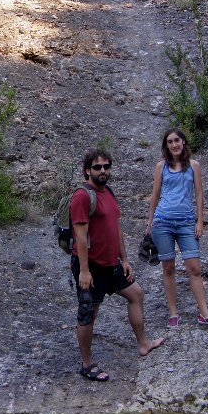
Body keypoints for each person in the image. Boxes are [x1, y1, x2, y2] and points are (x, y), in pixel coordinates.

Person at [67, 148, 161, 381]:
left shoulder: (108, 192)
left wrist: (125, 259)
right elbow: (80, 236)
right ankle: (87, 364)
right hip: (91, 266)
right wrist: (85, 271)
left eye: (106, 167)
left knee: (136, 294)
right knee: (89, 312)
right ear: (87, 170)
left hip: (111, 263)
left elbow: (116, 229)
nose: (102, 171)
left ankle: (143, 344)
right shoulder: (81, 196)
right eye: (97, 167)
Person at [146, 128, 208, 331]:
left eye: (177, 141)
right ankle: (173, 312)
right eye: (170, 142)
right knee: (168, 268)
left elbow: (199, 194)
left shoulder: (194, 166)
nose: (174, 145)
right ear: (166, 145)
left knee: (194, 268)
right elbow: (155, 195)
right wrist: (149, 223)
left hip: (186, 222)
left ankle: (205, 313)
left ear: (183, 142)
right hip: (162, 221)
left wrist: (200, 221)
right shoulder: (161, 166)